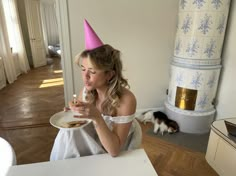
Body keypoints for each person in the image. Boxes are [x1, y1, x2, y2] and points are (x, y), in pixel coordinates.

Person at [50, 20, 142, 160]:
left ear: (109, 74)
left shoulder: (126, 100)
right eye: (83, 69)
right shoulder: (87, 93)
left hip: (114, 152)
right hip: (91, 147)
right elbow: (80, 127)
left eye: (92, 72)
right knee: (67, 133)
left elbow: (114, 150)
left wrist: (97, 117)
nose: (85, 76)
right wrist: (73, 114)